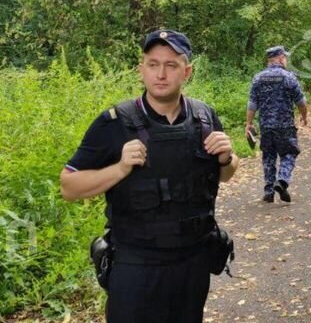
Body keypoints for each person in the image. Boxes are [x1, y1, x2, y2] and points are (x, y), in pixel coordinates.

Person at [59, 29, 239, 323]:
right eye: (153, 64)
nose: (161, 74)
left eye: (171, 65)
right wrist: (119, 169)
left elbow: (226, 175)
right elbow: (68, 186)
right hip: (136, 264)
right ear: (141, 70)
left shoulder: (204, 117)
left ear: (187, 72)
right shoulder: (114, 123)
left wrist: (227, 158)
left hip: (192, 263)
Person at [245, 45, 308, 203]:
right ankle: (282, 180)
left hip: (266, 126)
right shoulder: (289, 77)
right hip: (285, 126)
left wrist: (249, 123)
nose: (285, 60)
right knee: (289, 153)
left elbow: (252, 104)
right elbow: (301, 101)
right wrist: (304, 116)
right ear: (280, 58)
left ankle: (268, 192)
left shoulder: (258, 78)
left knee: (268, 156)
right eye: (285, 57)